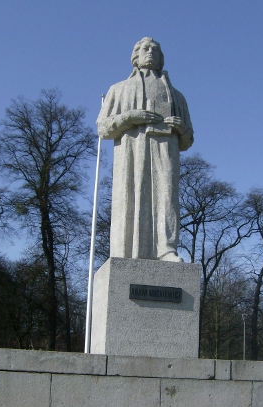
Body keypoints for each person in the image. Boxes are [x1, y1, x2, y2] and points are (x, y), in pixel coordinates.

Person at [97, 37, 194, 261]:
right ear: (135, 56)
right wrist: (130, 117)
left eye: (155, 50)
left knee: (166, 196)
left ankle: (166, 249)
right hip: (132, 151)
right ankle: (125, 251)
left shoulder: (177, 96)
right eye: (144, 48)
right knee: (130, 194)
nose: (149, 52)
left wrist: (181, 129)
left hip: (165, 151)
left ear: (161, 59)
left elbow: (188, 140)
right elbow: (103, 128)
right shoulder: (118, 89)